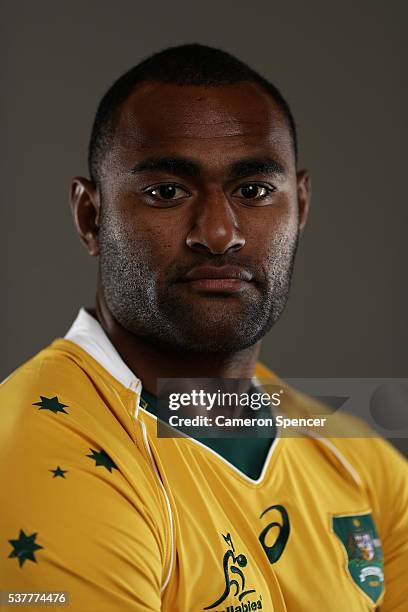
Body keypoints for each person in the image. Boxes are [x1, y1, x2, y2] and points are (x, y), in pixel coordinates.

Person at [0, 44, 407, 612]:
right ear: (91, 217)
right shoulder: (40, 456)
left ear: (302, 207)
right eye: (167, 192)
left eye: (254, 191)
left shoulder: (358, 462)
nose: (219, 233)